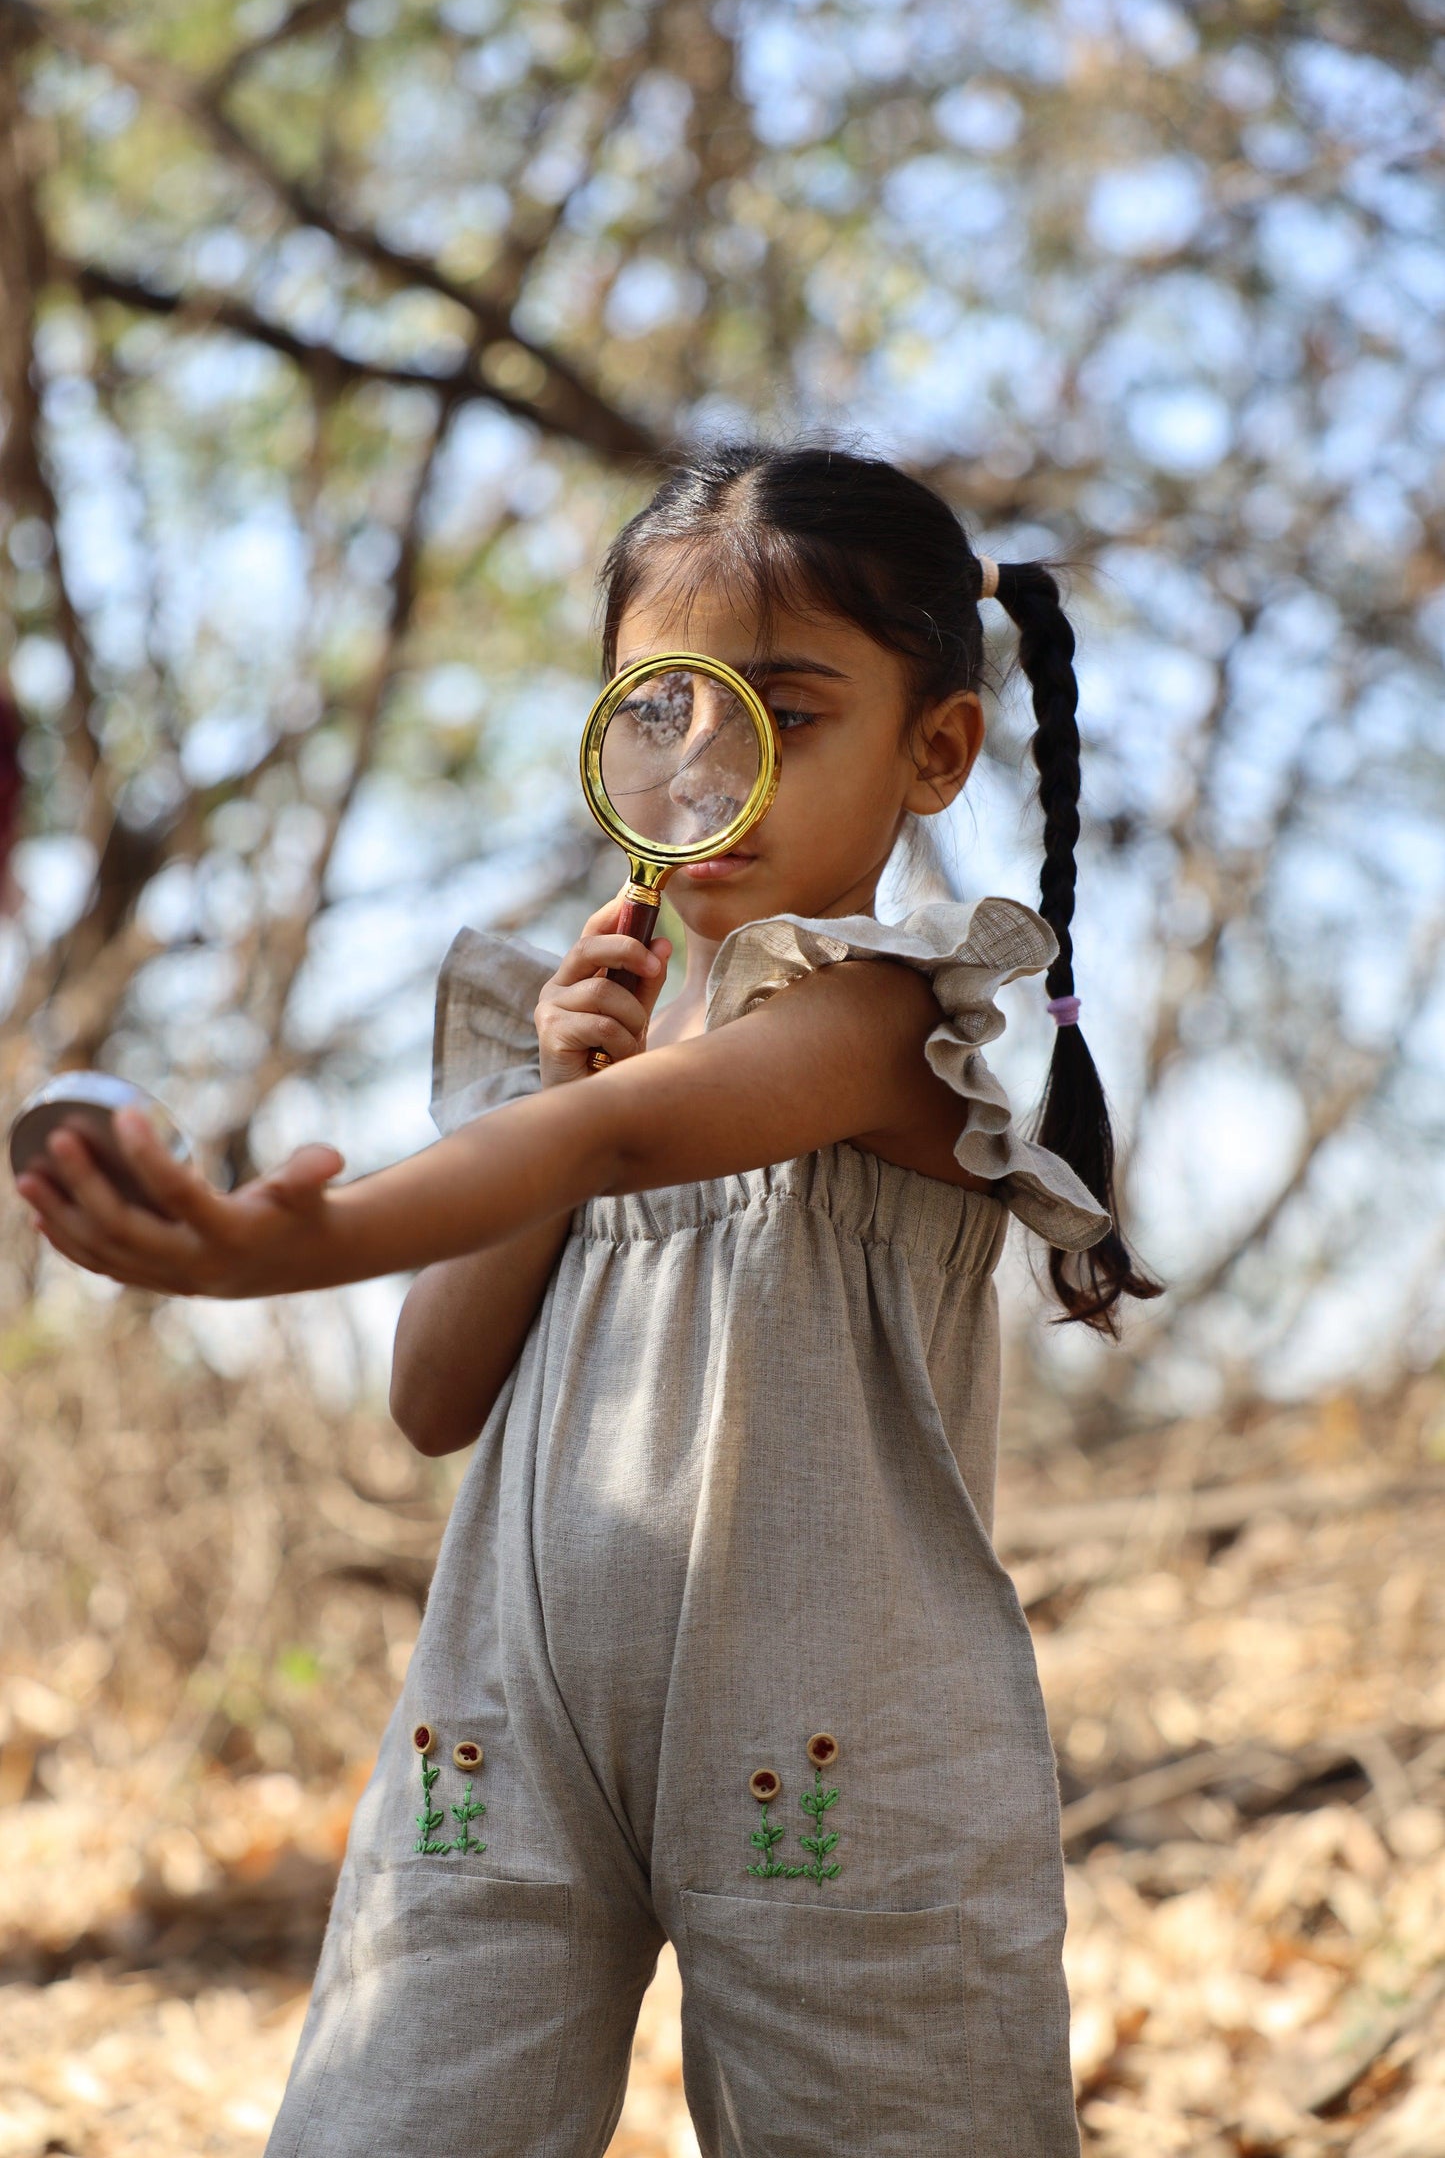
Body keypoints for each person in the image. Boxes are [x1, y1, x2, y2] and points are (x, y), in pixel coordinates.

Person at [17, 445, 1159, 2158]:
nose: (710, 766)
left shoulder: (878, 1018)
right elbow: (431, 1399)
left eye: (784, 709)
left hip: (834, 1729)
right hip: (506, 1713)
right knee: (390, 2118)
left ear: (936, 751)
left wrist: (280, 1251)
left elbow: (626, 1139)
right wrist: (533, 1094)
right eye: (659, 714)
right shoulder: (586, 1055)